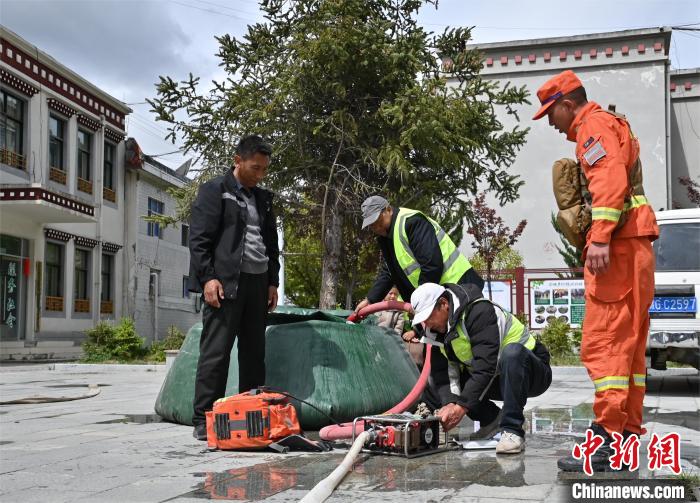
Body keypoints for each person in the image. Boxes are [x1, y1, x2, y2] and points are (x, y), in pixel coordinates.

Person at [532, 70, 658, 471]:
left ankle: (606, 440)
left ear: (568, 104)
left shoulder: (593, 126)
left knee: (605, 345)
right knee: (628, 351)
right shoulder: (612, 123)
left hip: (618, 248)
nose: (551, 124)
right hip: (633, 248)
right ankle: (624, 439)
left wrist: (600, 236)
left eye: (551, 114)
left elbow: (609, 179)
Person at [188, 134, 280, 441]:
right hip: (225, 283)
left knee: (254, 354)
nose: (260, 175)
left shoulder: (263, 199)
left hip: (258, 283)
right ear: (238, 161)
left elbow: (271, 243)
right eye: (255, 168)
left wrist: (272, 281)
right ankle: (204, 418)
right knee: (216, 353)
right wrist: (207, 277)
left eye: (264, 169)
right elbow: (199, 239)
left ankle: (251, 414)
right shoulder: (215, 191)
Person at [410, 282, 551, 454]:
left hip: (532, 372)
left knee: (512, 353)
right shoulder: (435, 332)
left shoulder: (479, 312)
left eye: (429, 316)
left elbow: (485, 366)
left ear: (444, 304)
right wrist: (450, 403)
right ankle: (492, 420)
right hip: (499, 376)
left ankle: (513, 430)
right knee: (451, 386)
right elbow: (442, 373)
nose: (427, 324)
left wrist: (461, 407)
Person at [355, 195, 484, 343]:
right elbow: (389, 271)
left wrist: (421, 303)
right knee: (446, 347)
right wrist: (370, 300)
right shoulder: (386, 237)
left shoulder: (411, 222)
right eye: (372, 225)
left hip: (459, 286)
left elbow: (431, 265)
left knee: (469, 340)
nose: (376, 228)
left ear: (388, 210)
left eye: (378, 221)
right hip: (439, 296)